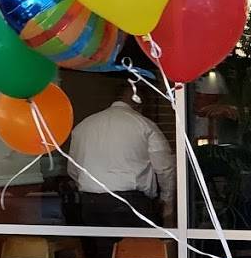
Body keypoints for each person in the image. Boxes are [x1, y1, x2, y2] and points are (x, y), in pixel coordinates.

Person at [68, 90, 176, 228]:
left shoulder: (83, 126)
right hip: (132, 203)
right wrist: (167, 201)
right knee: (139, 242)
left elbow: (73, 169)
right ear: (140, 105)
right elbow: (164, 168)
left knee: (101, 242)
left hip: (91, 202)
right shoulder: (144, 124)